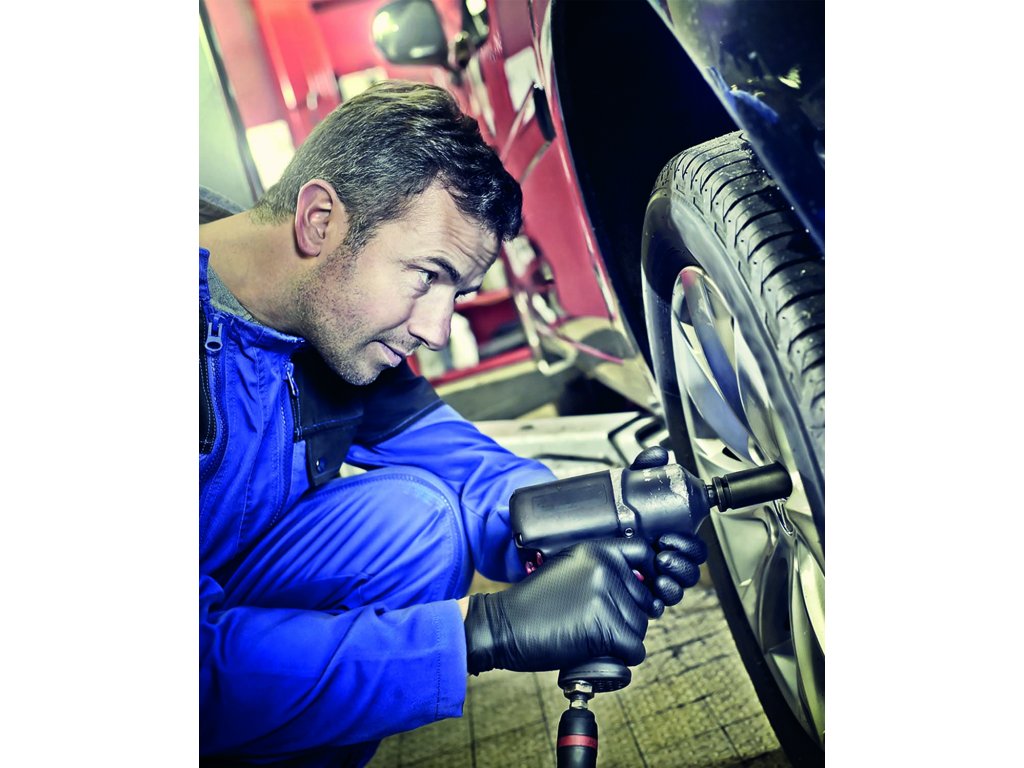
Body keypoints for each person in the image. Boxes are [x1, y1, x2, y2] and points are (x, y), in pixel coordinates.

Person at [199, 80, 707, 766]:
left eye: (457, 294)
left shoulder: (320, 317)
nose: (437, 331)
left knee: (417, 522)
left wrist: (580, 526)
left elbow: (465, 469)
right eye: (426, 276)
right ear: (320, 220)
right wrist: (480, 632)